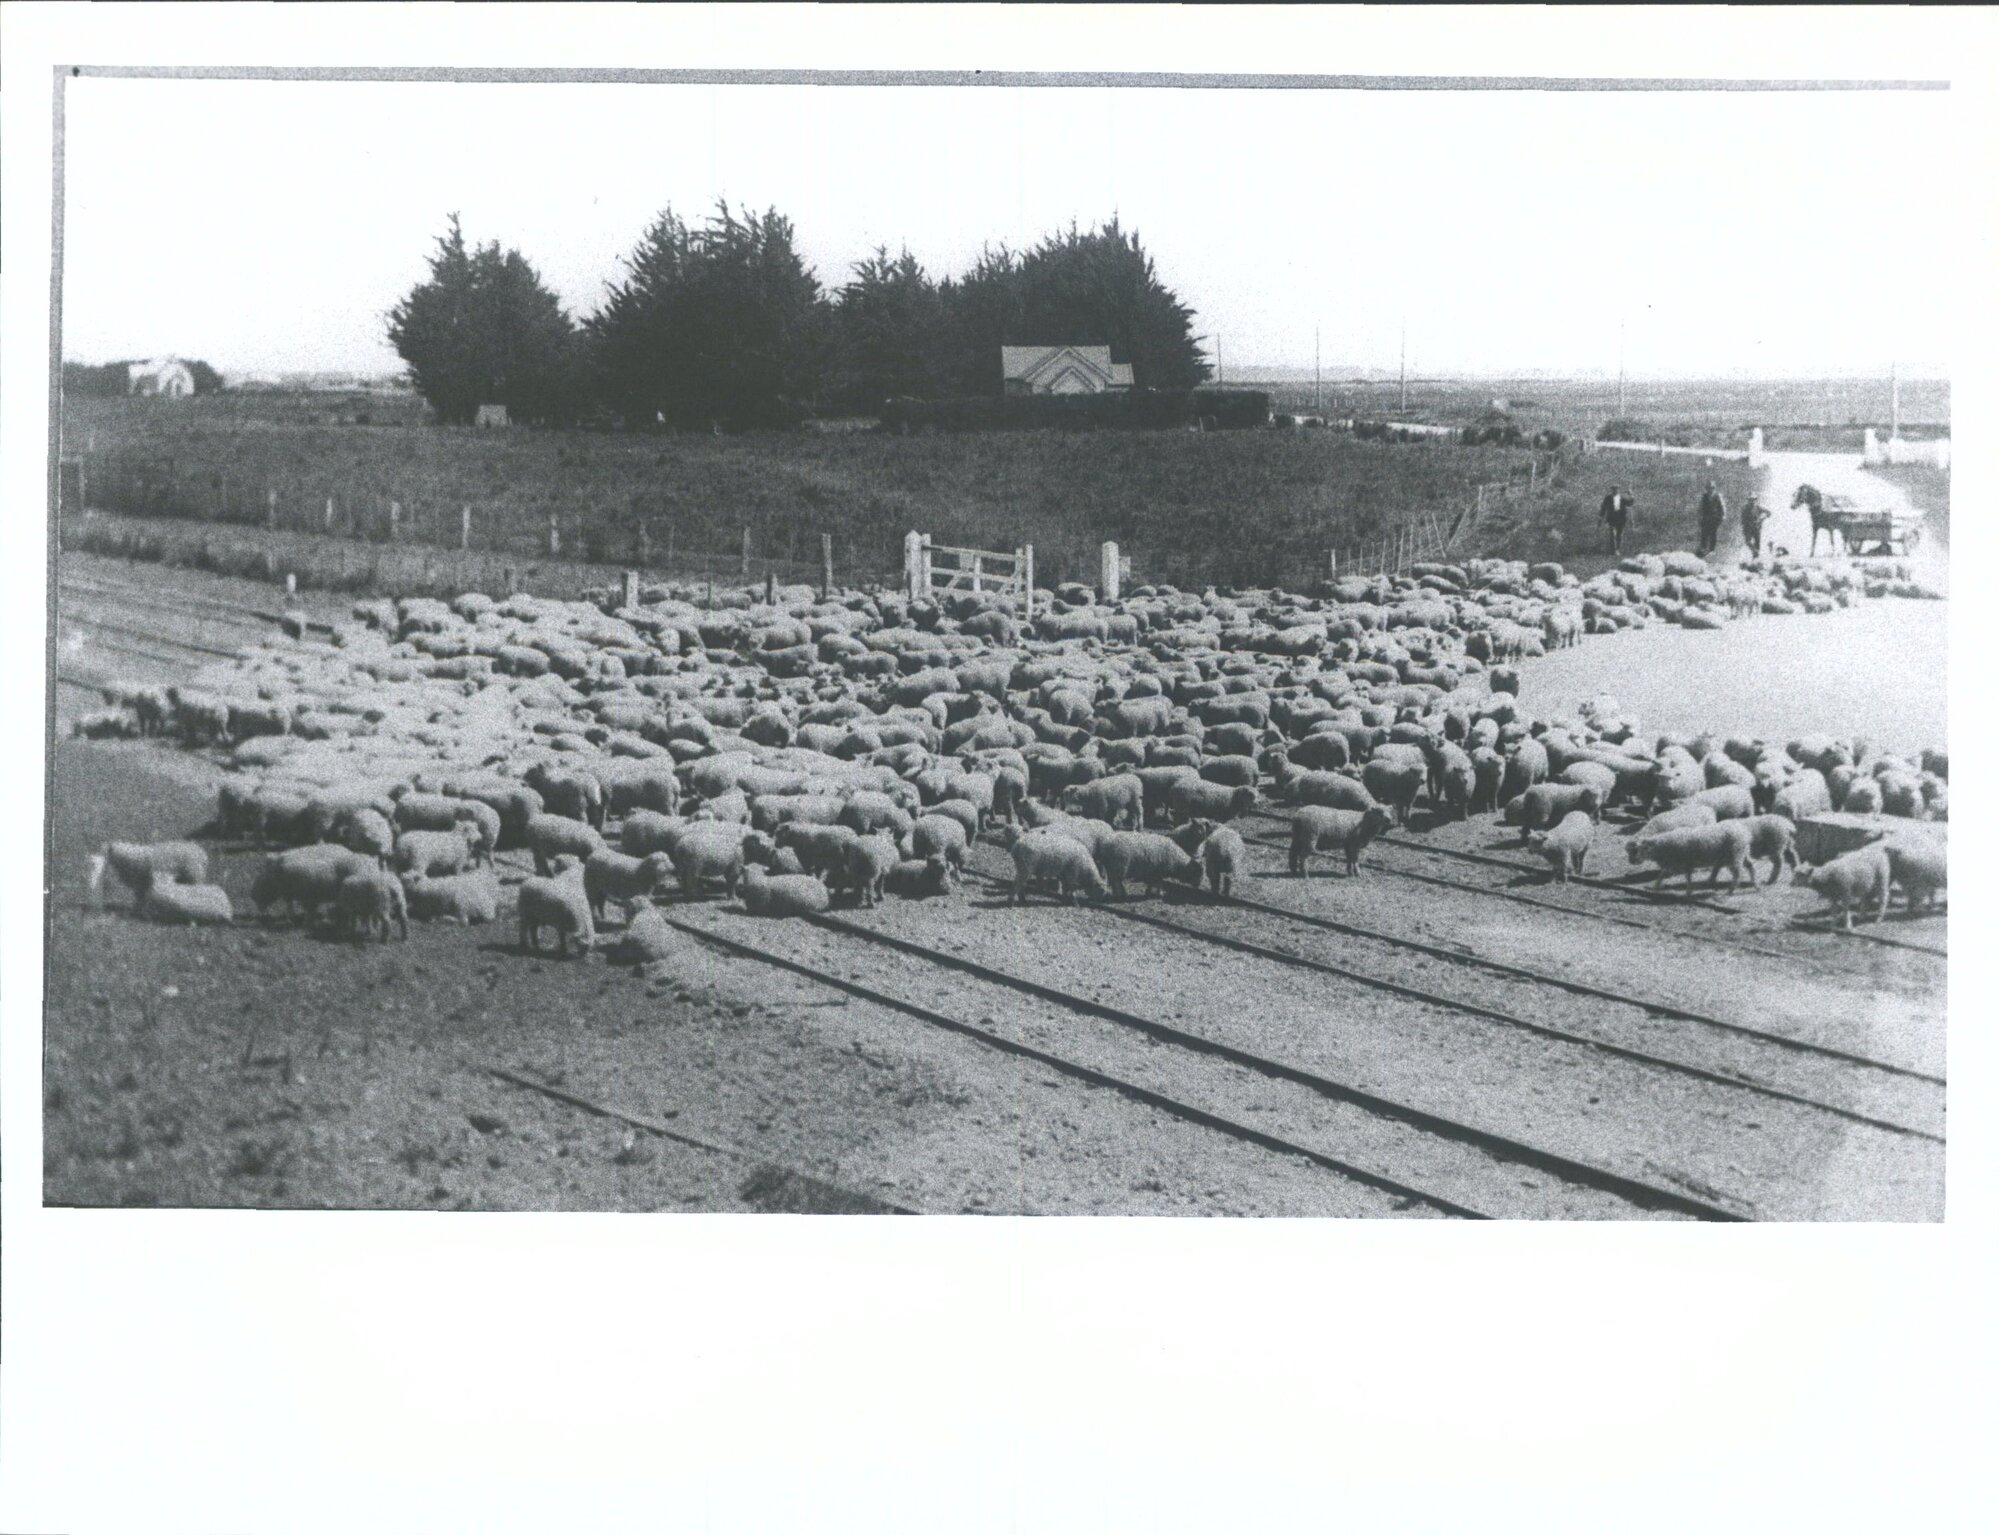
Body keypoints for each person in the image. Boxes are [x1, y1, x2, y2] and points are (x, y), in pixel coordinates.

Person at [1599, 485, 1634, 556]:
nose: (1615, 490)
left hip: (1621, 519)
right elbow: (1603, 507)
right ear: (1611, 490)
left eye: (1617, 489)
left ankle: (1618, 549)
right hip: (1612, 519)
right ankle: (1614, 551)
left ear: (1619, 490)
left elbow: (1630, 503)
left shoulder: (1622, 498)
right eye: (1614, 489)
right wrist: (1601, 517)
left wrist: (1631, 494)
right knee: (1613, 534)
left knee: (1620, 535)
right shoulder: (1608, 498)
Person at [1696, 480, 1728, 556]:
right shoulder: (1704, 496)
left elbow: (1723, 506)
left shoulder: (1718, 496)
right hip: (1705, 518)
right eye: (1709, 488)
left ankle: (1712, 550)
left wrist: (1723, 515)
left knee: (1713, 533)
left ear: (1714, 488)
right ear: (1707, 488)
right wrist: (1699, 516)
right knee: (1704, 533)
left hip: (1715, 517)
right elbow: (1700, 507)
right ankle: (1703, 548)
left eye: (1712, 488)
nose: (1710, 489)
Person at [1739, 494, 1770, 559]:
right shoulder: (1744, 508)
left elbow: (1768, 512)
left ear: (1755, 500)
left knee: (1757, 545)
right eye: (1750, 500)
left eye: (1753, 500)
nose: (1752, 501)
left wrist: (1762, 518)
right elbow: (1742, 519)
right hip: (1747, 528)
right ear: (1748, 500)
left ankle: (1756, 561)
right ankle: (1754, 552)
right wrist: (1744, 526)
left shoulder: (1758, 507)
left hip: (1757, 528)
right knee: (1748, 542)